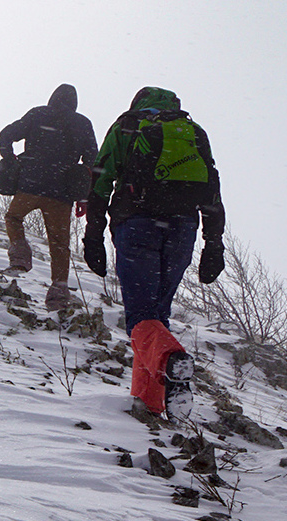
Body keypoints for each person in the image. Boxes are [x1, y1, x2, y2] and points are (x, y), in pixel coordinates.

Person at [83, 86, 227, 416]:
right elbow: (213, 190)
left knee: (140, 316)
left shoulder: (127, 126)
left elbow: (101, 179)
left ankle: (171, 361)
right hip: (182, 229)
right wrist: (214, 244)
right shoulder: (192, 132)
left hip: (137, 223)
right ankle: (149, 404)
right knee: (157, 316)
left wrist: (93, 235)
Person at [0, 83, 99, 311]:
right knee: (59, 244)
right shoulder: (83, 123)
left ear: (53, 97)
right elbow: (93, 161)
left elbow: (6, 134)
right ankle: (58, 293)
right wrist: (84, 197)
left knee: (13, 218)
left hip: (30, 185)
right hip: (62, 194)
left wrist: (10, 159)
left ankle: (20, 256)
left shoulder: (38, 114)